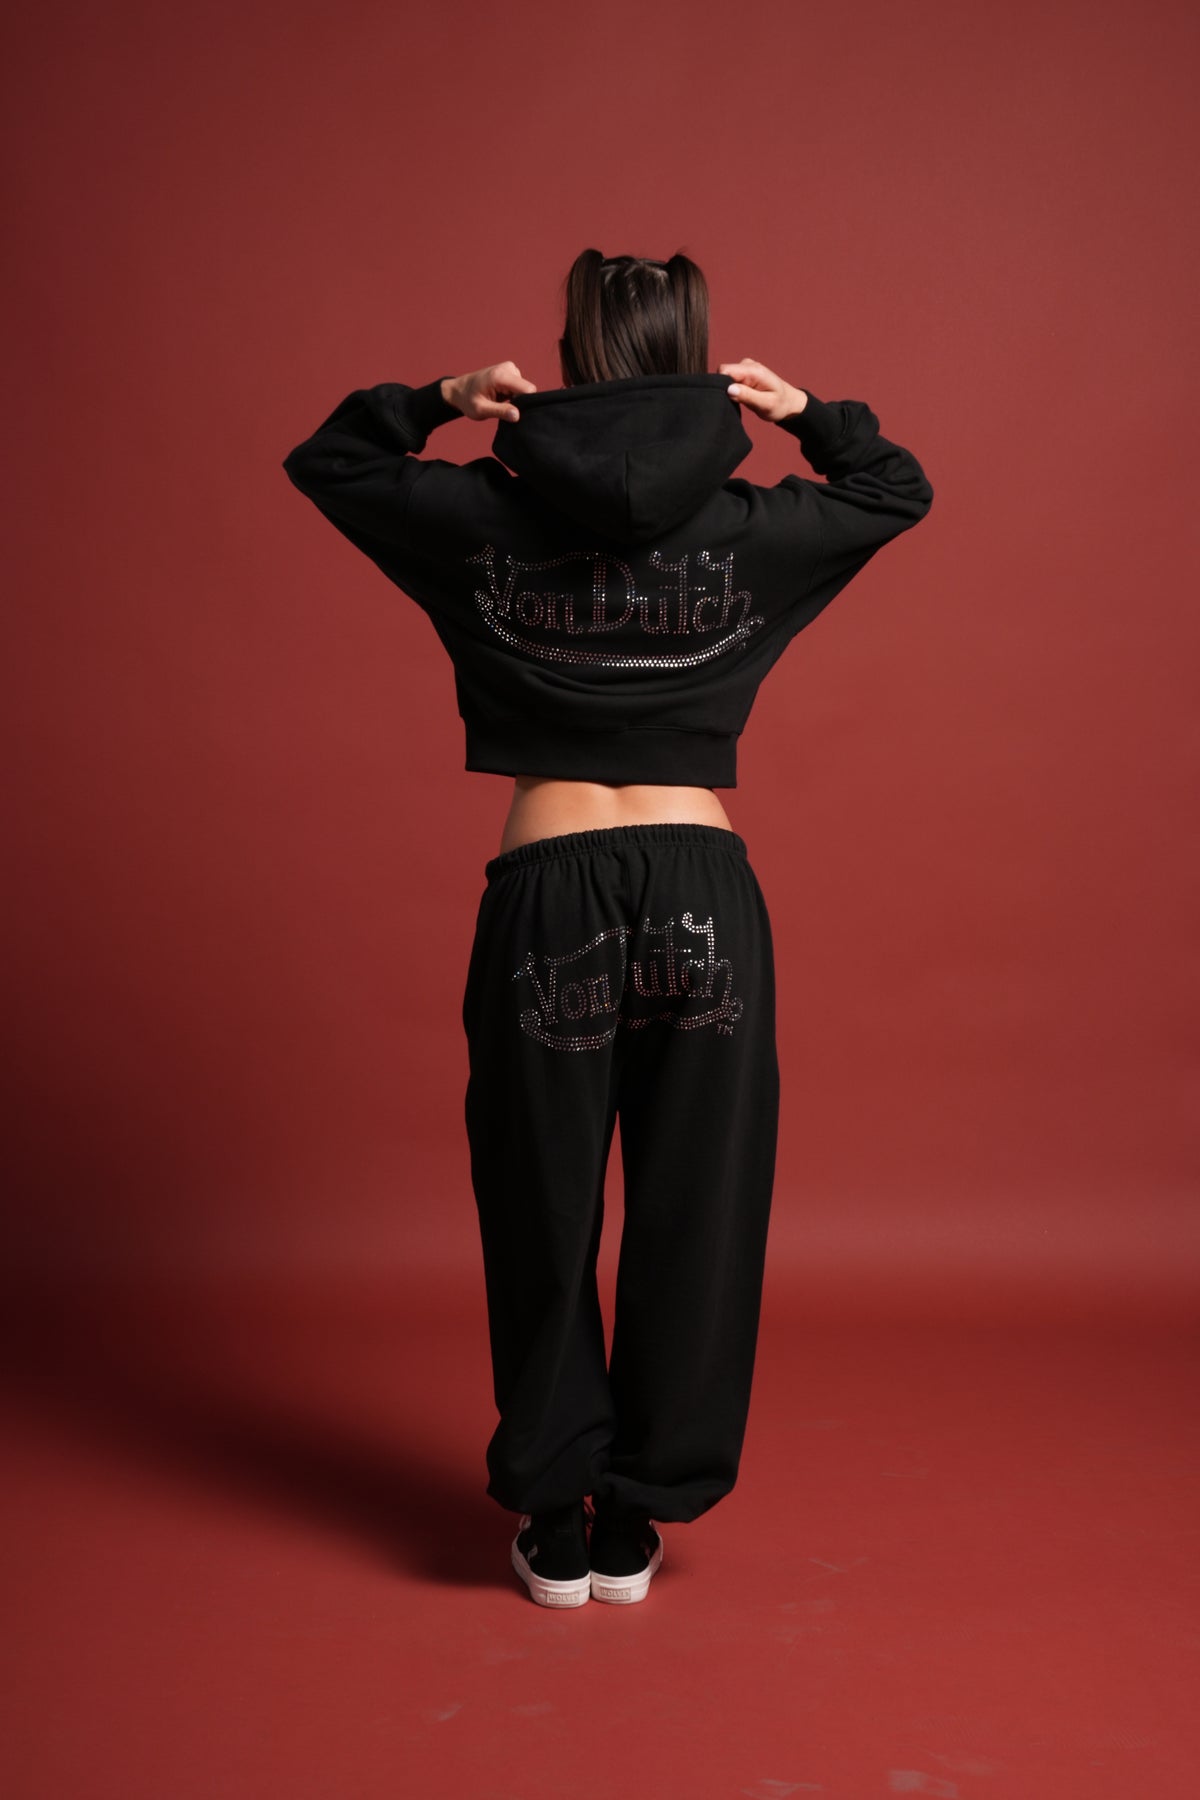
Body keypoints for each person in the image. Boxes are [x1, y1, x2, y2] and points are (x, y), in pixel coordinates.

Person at [281, 247, 934, 1608]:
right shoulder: (755, 528)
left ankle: (556, 1509)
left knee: (542, 1197)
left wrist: (441, 399)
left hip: (551, 878)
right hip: (704, 881)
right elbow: (895, 488)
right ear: (702, 362)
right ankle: (639, 1514)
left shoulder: (480, 513)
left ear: (572, 359)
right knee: (700, 1200)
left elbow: (329, 463)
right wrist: (808, 415)